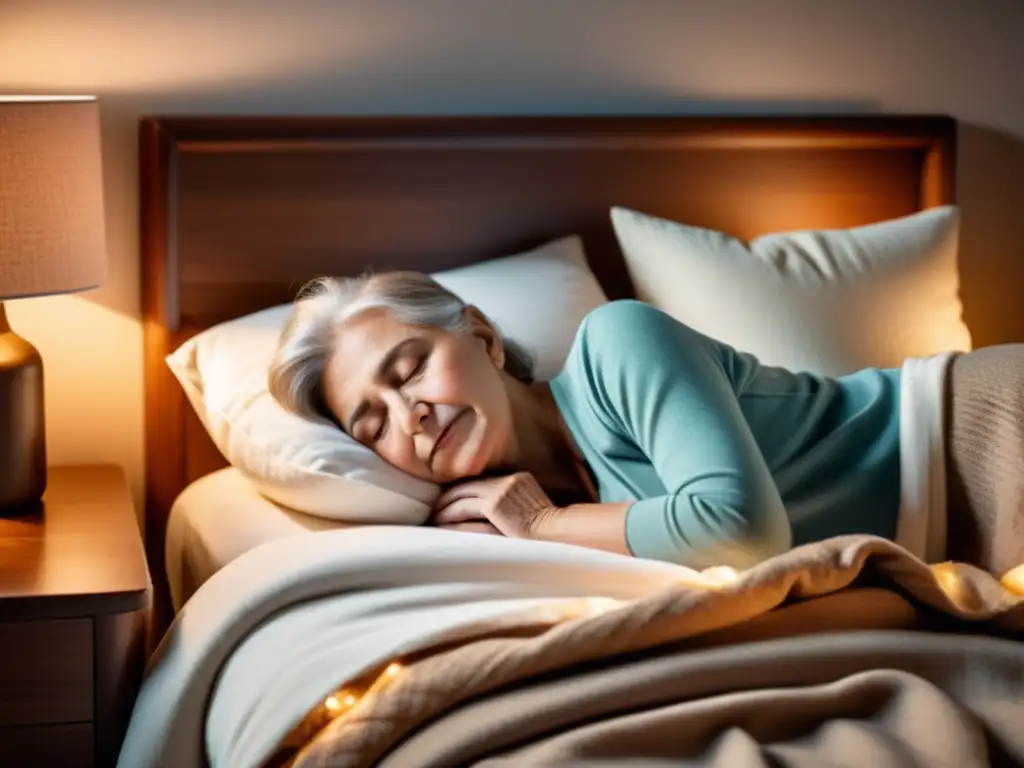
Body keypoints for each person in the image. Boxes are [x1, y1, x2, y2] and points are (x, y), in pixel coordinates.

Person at [268, 271, 1024, 576]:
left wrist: (542, 522)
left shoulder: (614, 345)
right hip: (957, 543)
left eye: (410, 370)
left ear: (483, 336)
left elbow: (740, 530)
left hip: (980, 431)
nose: (412, 414)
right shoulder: (492, 532)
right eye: (373, 426)